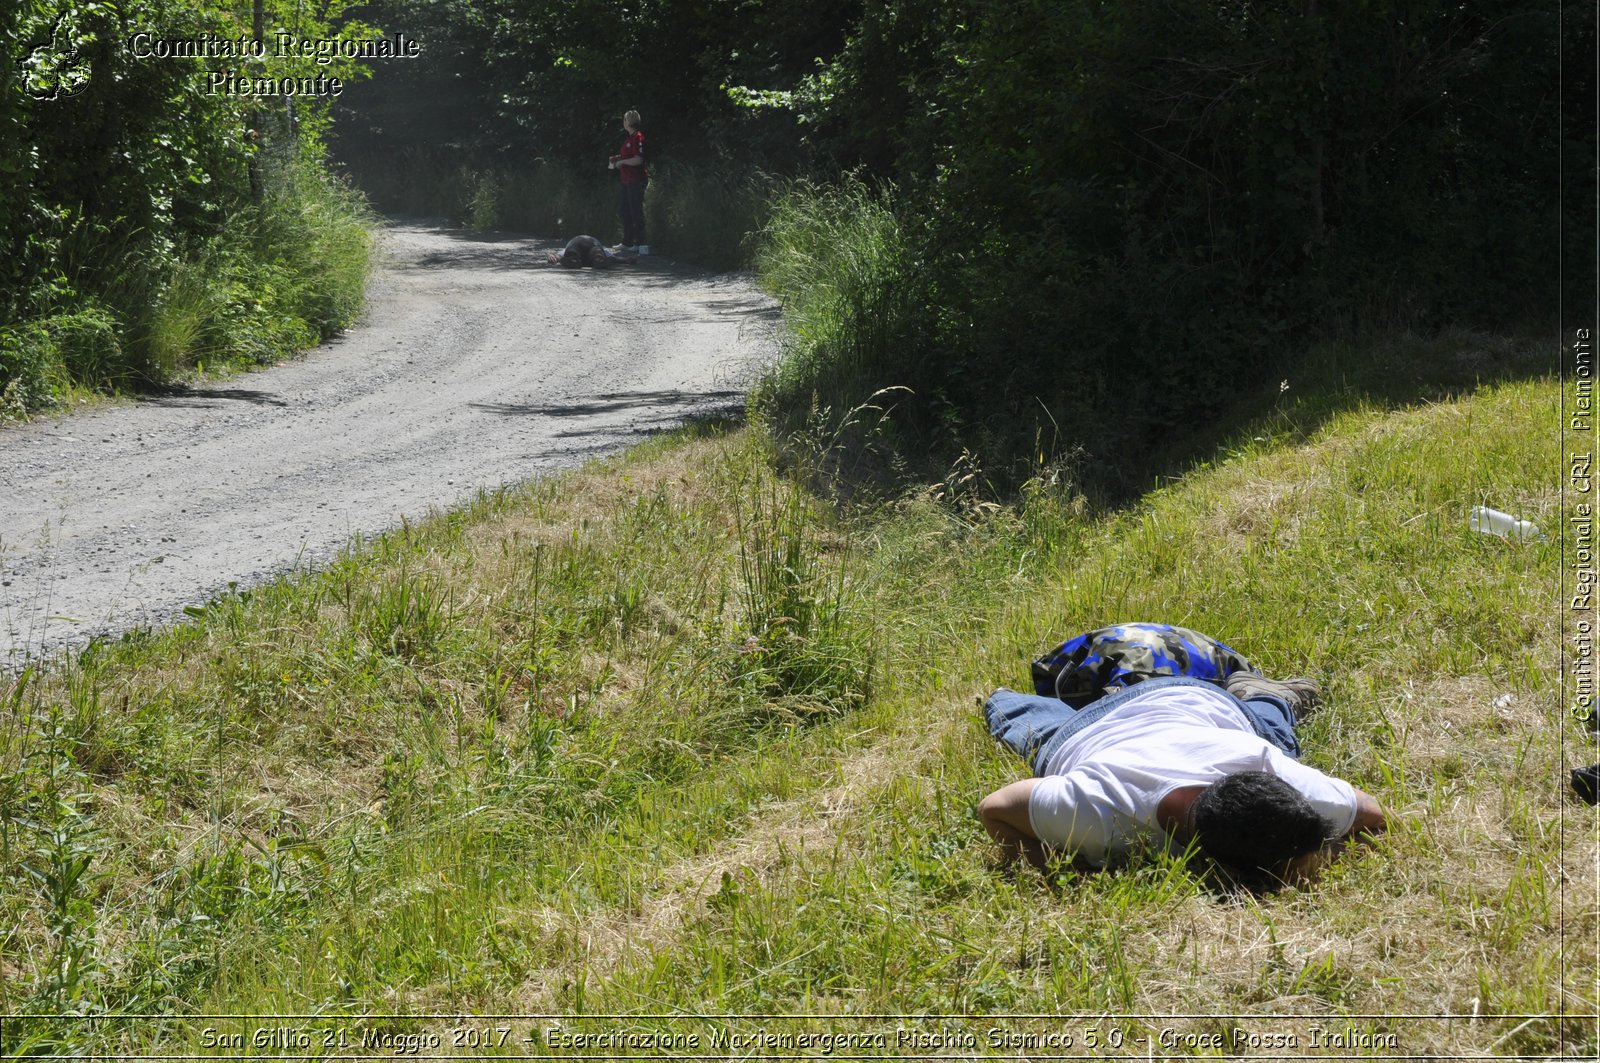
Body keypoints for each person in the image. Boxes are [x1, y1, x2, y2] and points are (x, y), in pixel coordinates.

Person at [978, 630, 1388, 889]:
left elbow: (1374, 815)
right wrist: (1066, 875)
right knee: (1037, 736)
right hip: (1096, 730)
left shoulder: (1265, 766)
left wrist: (1321, 851)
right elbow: (994, 809)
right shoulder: (1098, 815)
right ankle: (1004, 702)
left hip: (1192, 702)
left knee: (1272, 740)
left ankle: (1264, 693)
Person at [607, 109, 649, 255]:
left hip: (636, 180)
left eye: (624, 120)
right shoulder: (629, 139)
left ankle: (641, 243)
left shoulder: (638, 137)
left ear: (629, 121)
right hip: (626, 180)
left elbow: (638, 159)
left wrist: (622, 162)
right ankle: (628, 242)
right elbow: (628, 156)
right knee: (625, 210)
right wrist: (617, 159)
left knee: (636, 210)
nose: (623, 122)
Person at [548, 234, 615, 268]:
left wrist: (553, 256)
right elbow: (614, 258)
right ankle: (599, 260)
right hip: (593, 245)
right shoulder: (604, 250)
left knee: (571, 253)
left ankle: (573, 260)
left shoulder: (568, 248)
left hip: (575, 244)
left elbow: (558, 255)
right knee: (598, 255)